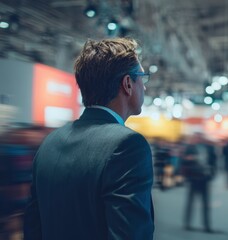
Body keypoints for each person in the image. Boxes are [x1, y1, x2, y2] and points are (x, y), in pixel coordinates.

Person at [23, 38, 154, 240]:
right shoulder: (128, 145)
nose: (144, 88)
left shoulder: (50, 142)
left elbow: (32, 227)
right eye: (142, 79)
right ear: (127, 84)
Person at [181, 133, 216, 233]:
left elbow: (213, 161)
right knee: (190, 202)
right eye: (196, 137)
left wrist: (212, 174)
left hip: (204, 177)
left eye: (200, 137)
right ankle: (187, 223)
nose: (198, 139)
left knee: (205, 203)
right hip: (193, 177)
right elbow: (183, 161)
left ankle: (206, 225)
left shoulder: (209, 148)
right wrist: (190, 158)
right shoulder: (189, 148)